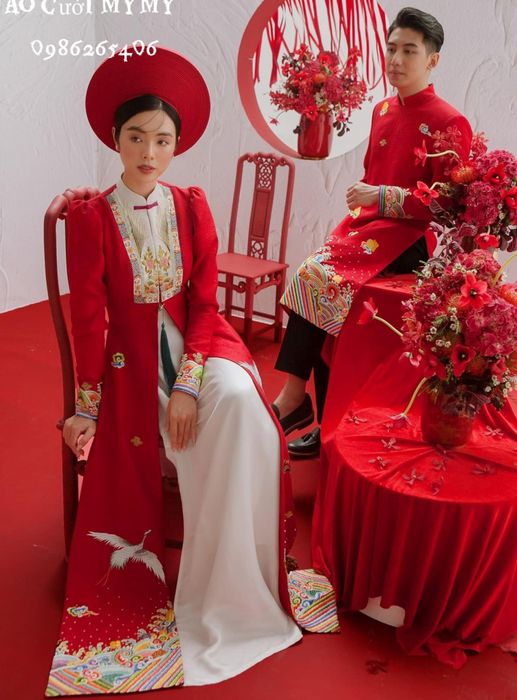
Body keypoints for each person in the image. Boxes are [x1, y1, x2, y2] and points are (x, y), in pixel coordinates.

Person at [45, 47, 321, 695]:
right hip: (130, 358)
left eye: (162, 139)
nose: (149, 151)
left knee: (243, 407)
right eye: (136, 137)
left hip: (199, 342)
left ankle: (234, 573)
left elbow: (204, 302)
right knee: (192, 419)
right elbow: (88, 320)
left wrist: (189, 385)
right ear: (115, 138)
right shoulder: (92, 217)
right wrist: (87, 406)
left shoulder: (191, 205)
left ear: (177, 145)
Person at [272, 7, 473, 458]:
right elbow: (372, 176)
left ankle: (297, 401)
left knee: (318, 279)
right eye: (392, 48)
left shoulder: (449, 122)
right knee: (315, 288)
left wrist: (381, 197)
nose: (396, 59)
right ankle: (320, 419)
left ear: (432, 60)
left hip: (406, 242)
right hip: (365, 232)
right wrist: (368, 202)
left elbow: (448, 204)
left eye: (409, 51)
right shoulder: (382, 109)